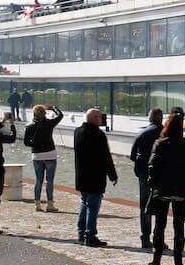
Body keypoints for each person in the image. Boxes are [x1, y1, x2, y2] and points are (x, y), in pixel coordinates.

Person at [146, 112, 185, 265]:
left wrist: (153, 183)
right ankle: (178, 263)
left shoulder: (160, 144)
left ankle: (156, 261)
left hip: (162, 190)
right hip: (180, 190)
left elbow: (152, 166)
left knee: (160, 225)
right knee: (178, 227)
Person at [73, 108, 118, 247]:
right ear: (93, 118)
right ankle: (90, 235)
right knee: (93, 207)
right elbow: (106, 156)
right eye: (99, 117)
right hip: (95, 177)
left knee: (84, 203)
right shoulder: (98, 134)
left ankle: (81, 233)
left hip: (81, 175)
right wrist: (112, 174)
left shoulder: (77, 132)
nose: (101, 119)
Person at [129, 108, 163, 249]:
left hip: (144, 174)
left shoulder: (141, 133)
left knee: (145, 206)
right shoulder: (165, 133)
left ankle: (145, 238)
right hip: (162, 174)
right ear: (161, 118)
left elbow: (132, 156)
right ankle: (158, 237)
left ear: (149, 119)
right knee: (162, 207)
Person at [24, 104, 63, 212]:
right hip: (50, 154)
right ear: (44, 113)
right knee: (49, 180)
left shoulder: (29, 126)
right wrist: (54, 108)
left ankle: (37, 204)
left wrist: (36, 144)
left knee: (38, 180)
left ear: (34, 113)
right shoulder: (50, 123)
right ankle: (50, 204)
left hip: (37, 155)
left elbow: (26, 143)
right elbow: (60, 115)